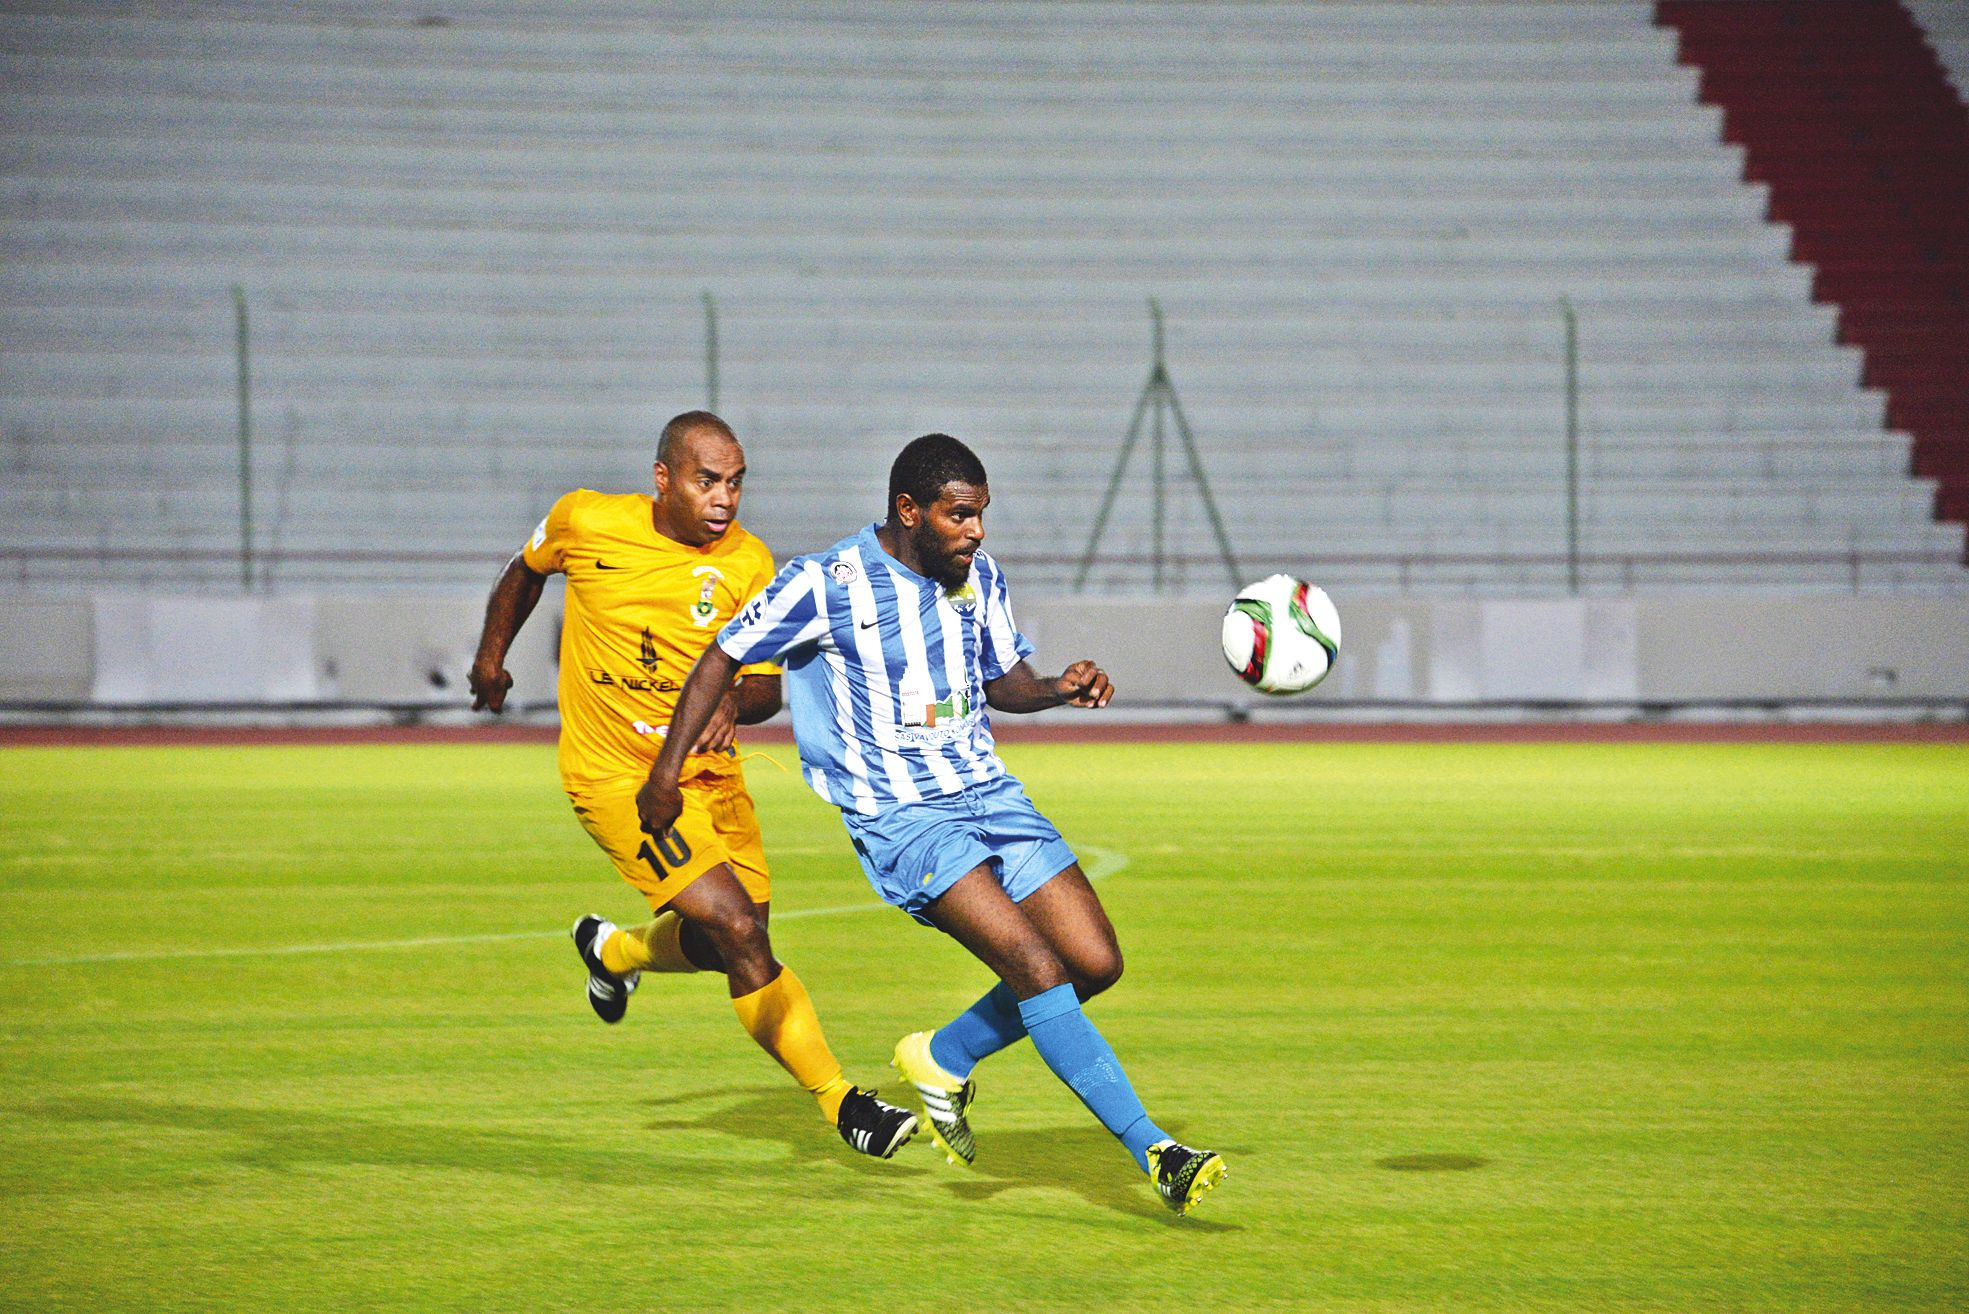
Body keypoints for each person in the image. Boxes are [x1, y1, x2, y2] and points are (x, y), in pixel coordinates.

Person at [638, 432, 1227, 1215]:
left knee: (1092, 962)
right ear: (908, 511)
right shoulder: (826, 582)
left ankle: (941, 1057)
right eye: (959, 516)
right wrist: (664, 772)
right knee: (1034, 966)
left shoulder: (976, 576)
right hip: (902, 817)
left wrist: (1056, 686)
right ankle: (1156, 1151)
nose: (975, 532)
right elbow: (721, 656)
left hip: (989, 795)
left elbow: (1001, 681)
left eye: (980, 515)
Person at [467, 410, 917, 1161]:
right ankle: (845, 1105)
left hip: (711, 780)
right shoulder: (585, 519)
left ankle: (613, 953)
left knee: (730, 943)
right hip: (617, 776)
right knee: (739, 932)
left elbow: (767, 688)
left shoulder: (748, 563)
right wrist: (490, 656)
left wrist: (730, 705)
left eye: (736, 483)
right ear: (663, 479)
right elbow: (525, 571)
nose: (725, 499)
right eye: (708, 481)